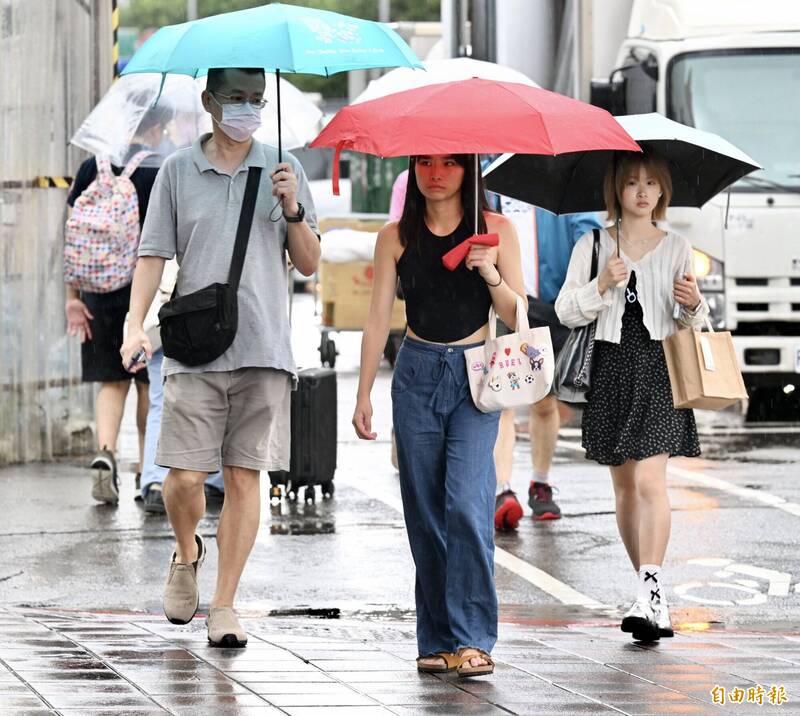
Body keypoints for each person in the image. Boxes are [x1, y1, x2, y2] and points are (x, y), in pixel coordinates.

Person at [120, 66, 320, 647]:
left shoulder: (285, 168)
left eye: (258, 99)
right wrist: (135, 324)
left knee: (243, 477)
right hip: (196, 347)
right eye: (237, 98)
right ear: (209, 102)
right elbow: (153, 255)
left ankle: (225, 605)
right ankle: (187, 552)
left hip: (263, 348)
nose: (248, 109)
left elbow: (308, 262)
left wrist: (294, 210)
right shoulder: (178, 171)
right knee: (180, 479)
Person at [353, 154, 526, 678]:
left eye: (450, 163)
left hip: (477, 374)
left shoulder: (496, 229)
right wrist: (363, 394)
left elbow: (518, 313)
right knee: (425, 512)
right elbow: (379, 315)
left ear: (469, 170)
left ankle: (473, 637)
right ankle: (437, 638)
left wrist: (491, 272)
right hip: (417, 372)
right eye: (425, 162)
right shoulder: (395, 237)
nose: (436, 173)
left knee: (469, 507)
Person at [555, 151, 707, 642]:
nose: (642, 191)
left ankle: (652, 588)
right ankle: (647, 591)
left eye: (651, 183)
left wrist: (693, 305)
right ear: (616, 190)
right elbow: (565, 311)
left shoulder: (678, 246)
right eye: (631, 183)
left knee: (648, 480)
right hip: (611, 370)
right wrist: (601, 285)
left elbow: (693, 326)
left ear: (663, 192)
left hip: (660, 370)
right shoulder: (594, 243)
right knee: (623, 488)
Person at [65, 110, 168, 505]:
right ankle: (147, 469)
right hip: (141, 291)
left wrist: (73, 299)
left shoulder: (93, 165)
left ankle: (105, 452)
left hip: (95, 291)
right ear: (154, 129)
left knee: (111, 381)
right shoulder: (156, 170)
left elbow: (72, 235)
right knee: (146, 382)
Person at [493, 200, 601, 529]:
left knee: (544, 402)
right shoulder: (489, 176)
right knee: (501, 403)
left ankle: (540, 482)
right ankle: (501, 489)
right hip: (500, 302)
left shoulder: (555, 180)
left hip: (551, 304)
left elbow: (588, 232)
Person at [137, 260, 224, 514]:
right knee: (216, 399)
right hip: (206, 314)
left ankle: (154, 481)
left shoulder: (158, 221)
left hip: (160, 315)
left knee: (159, 402)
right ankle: (213, 481)